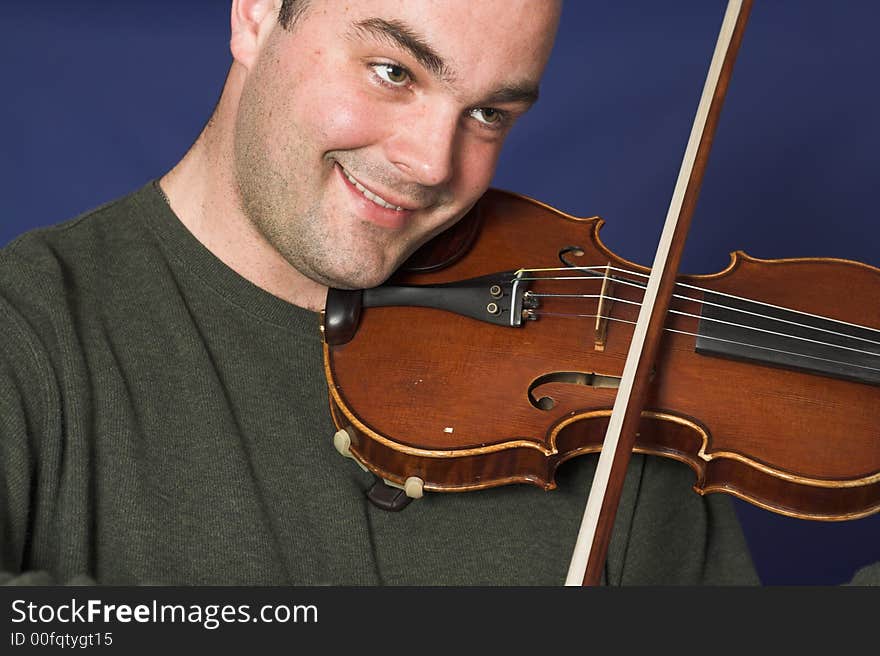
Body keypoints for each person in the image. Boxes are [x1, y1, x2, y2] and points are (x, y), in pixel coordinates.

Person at [0, 0, 874, 587]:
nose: (432, 165)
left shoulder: (615, 388)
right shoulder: (28, 334)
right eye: (394, 72)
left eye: (490, 113)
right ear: (257, 12)